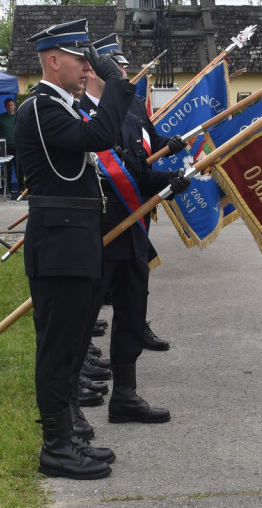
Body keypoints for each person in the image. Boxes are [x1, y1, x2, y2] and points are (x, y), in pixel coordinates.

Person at [14, 18, 134, 480]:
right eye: (80, 59)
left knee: (73, 343)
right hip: (60, 242)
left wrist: (109, 86)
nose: (88, 67)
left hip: (74, 239)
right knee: (59, 347)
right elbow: (98, 137)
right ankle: (56, 447)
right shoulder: (42, 108)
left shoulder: (63, 105)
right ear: (52, 60)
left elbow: (104, 133)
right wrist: (118, 81)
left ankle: (69, 437)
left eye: (90, 60)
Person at [80, 34, 190, 426]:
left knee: (131, 309)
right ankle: (71, 396)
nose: (123, 77)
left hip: (130, 235)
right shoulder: (75, 115)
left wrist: (170, 181)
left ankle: (125, 395)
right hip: (95, 233)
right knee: (84, 312)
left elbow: (138, 174)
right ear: (94, 73)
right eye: (116, 71)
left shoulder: (127, 120)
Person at [0, 97, 22, 193]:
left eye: (12, 105)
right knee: (7, 169)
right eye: (8, 105)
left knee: (19, 168)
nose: (10, 107)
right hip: (5, 147)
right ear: (5, 107)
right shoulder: (1, 118)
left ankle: (21, 188)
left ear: (14, 106)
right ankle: (8, 189)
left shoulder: (19, 116)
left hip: (17, 147)